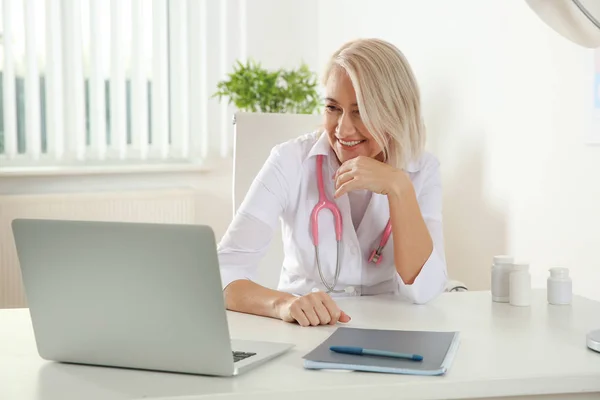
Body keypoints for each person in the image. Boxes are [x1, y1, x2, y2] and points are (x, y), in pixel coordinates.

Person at [217, 38, 447, 327]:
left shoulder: (422, 169)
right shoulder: (289, 161)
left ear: (394, 112)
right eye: (333, 107)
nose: (343, 128)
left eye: (360, 111)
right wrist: (284, 303)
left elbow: (425, 290)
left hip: (391, 331)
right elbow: (223, 271)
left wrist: (399, 188)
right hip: (305, 331)